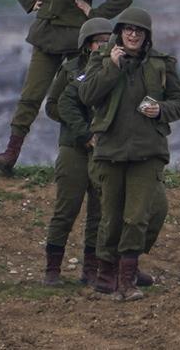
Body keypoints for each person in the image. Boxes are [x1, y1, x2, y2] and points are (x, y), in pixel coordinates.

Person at [0, 0, 133, 174]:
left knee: (75, 99)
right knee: (30, 97)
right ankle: (11, 153)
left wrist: (93, 15)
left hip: (76, 44)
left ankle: (83, 156)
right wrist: (30, 1)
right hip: (46, 38)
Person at [79, 6, 180, 301]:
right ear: (119, 33)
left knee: (137, 217)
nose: (133, 34)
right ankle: (106, 274)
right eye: (128, 29)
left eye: (139, 31)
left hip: (147, 152)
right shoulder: (101, 59)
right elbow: (87, 95)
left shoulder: (161, 64)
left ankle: (127, 279)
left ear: (147, 35)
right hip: (110, 150)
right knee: (110, 217)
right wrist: (111, 68)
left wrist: (161, 110)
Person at [42, 16, 114, 286]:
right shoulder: (70, 70)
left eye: (109, 41)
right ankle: (52, 269)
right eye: (100, 42)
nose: (104, 46)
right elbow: (53, 105)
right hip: (73, 146)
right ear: (87, 44)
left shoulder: (114, 70)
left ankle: (91, 270)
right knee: (66, 208)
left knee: (100, 212)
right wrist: (78, 125)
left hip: (103, 149)